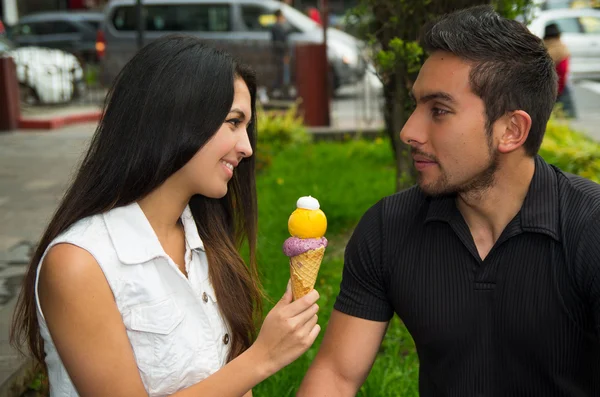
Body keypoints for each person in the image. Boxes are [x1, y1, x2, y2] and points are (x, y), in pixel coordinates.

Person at [299, 5, 600, 396]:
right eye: (415, 105)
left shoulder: (589, 229)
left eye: (439, 111)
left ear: (511, 130)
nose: (409, 130)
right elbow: (335, 377)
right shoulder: (389, 229)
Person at [10, 34, 321, 396]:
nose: (246, 147)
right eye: (234, 123)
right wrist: (262, 358)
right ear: (175, 117)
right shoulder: (80, 263)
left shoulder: (206, 240)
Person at [544, 23, 577, 118]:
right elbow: (563, 72)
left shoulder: (543, 49)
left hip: (546, 88)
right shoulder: (563, 49)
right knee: (567, 117)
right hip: (561, 87)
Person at [270, 9, 290, 98]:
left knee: (281, 72)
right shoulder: (278, 27)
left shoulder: (276, 27)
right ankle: (281, 90)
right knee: (283, 72)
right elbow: (282, 41)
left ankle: (279, 89)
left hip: (279, 53)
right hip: (281, 53)